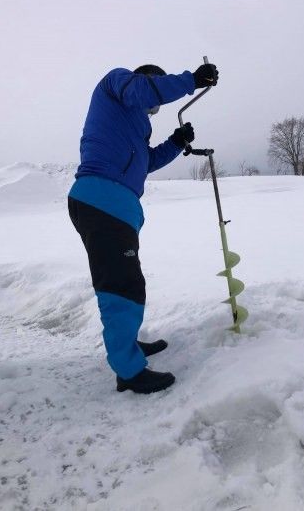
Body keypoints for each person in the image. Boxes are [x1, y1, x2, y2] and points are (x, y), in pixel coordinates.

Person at [67, 61, 219, 394]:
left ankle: (129, 344)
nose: (156, 107)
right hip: (101, 200)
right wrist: (191, 81)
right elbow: (143, 90)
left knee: (124, 279)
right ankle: (129, 371)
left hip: (116, 208)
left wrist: (177, 142)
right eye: (157, 94)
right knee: (122, 286)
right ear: (146, 80)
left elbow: (145, 162)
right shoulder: (117, 83)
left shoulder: (135, 123)